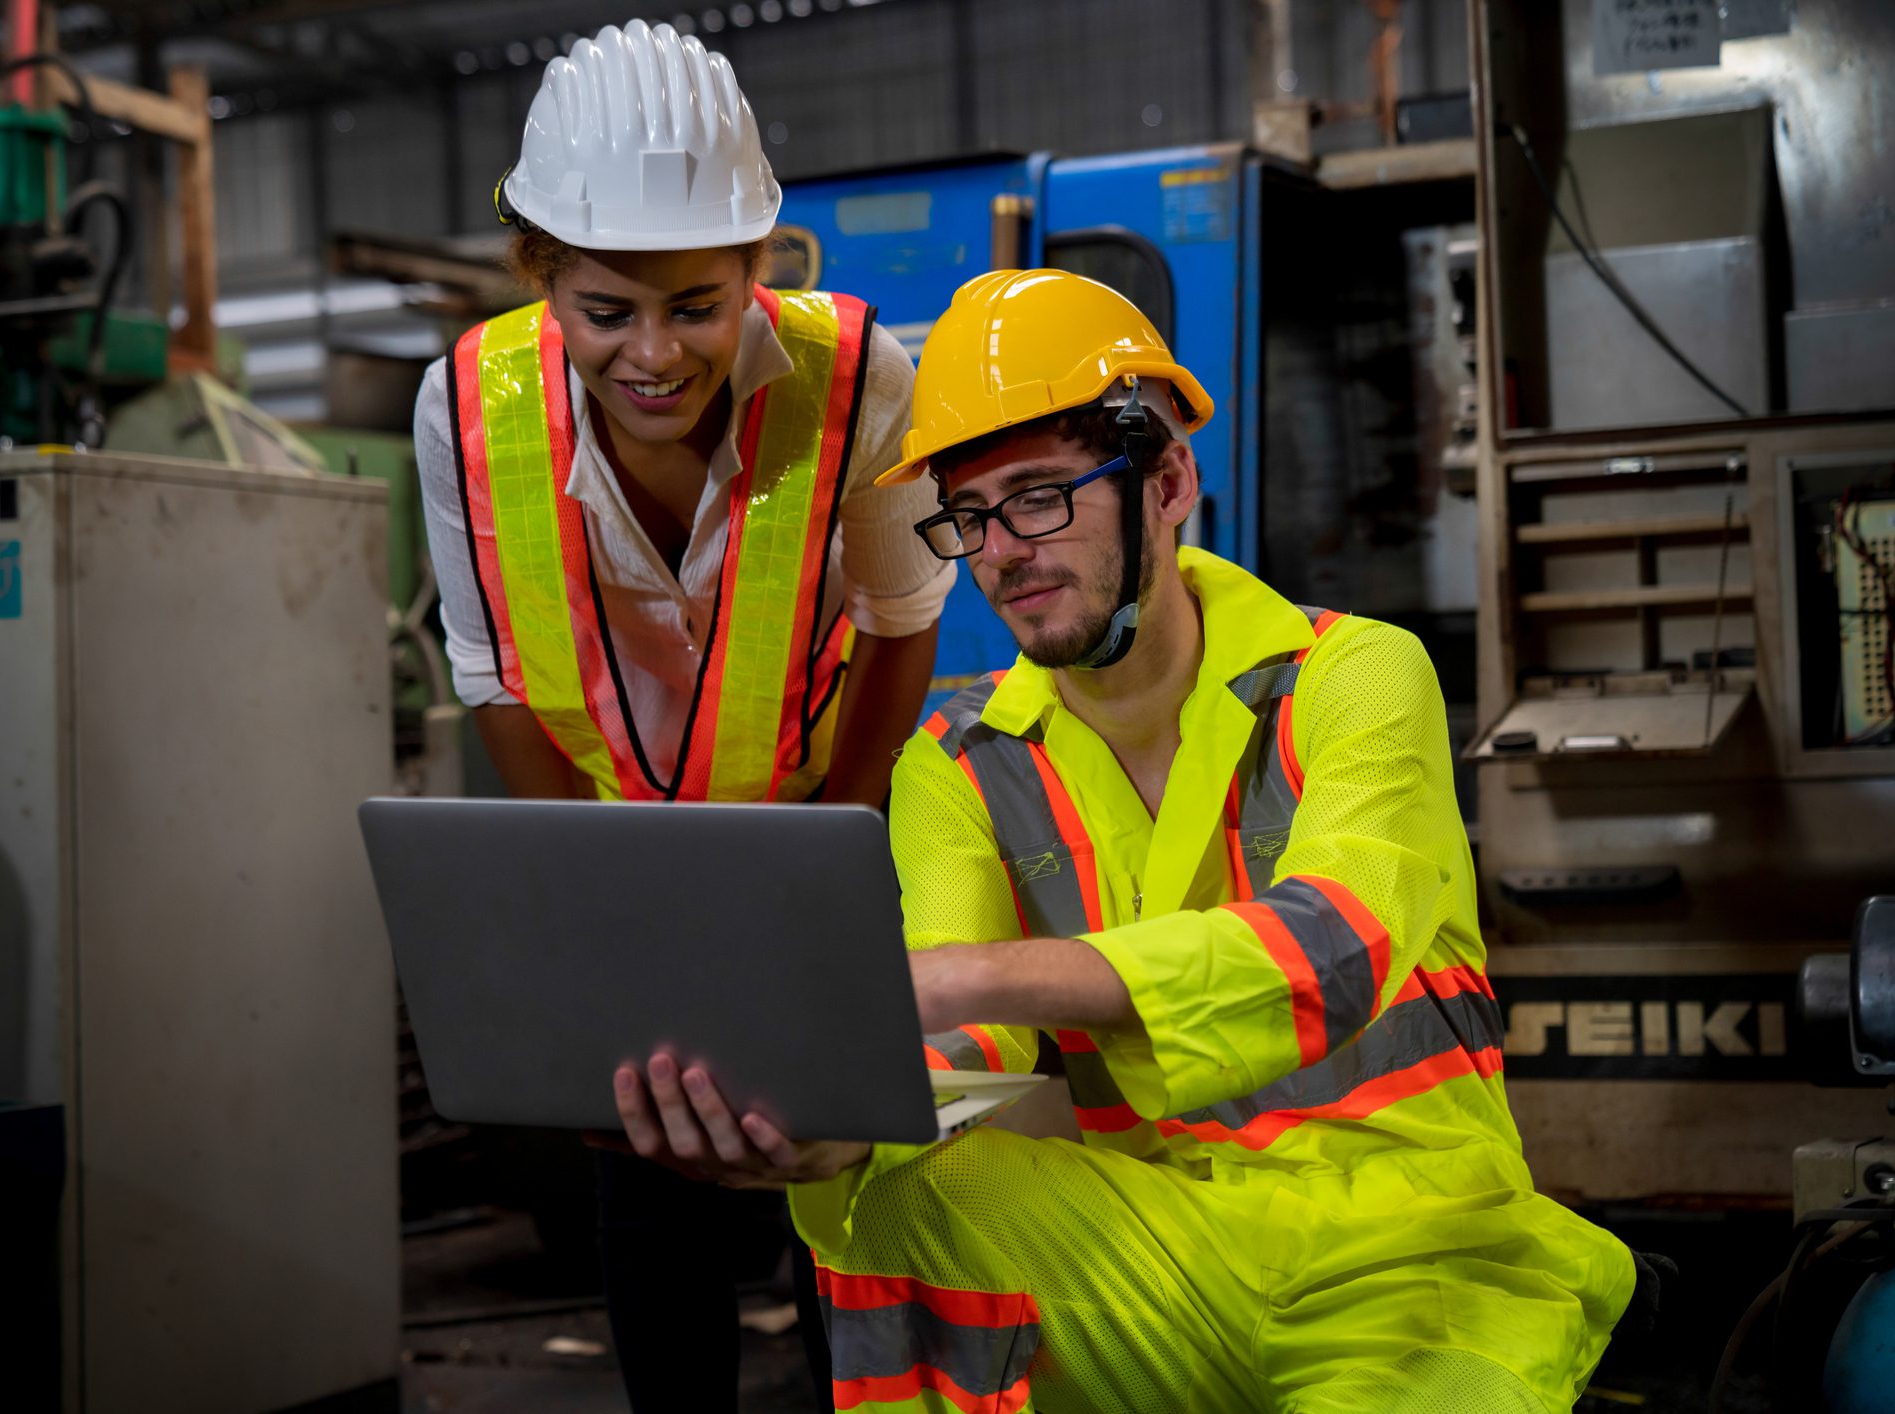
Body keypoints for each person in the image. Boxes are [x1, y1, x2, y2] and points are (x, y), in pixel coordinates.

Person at [607, 269, 1639, 1413]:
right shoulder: (956, 763)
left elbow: (1332, 948)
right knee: (895, 1184)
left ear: (1168, 482)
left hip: (1420, 1255)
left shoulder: (1349, 676)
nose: (1001, 550)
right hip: (1161, 1251)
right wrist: (827, 1134)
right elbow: (971, 1051)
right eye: (970, 514)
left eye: (1042, 495)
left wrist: (951, 977)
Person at [412, 21, 952, 1412]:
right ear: (541, 276)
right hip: (606, 831)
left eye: (698, 305)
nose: (655, 354)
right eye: (607, 311)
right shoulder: (466, 408)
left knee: (839, 1183)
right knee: (648, 1166)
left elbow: (902, 629)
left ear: (756, 268)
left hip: (821, 816)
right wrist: (607, 897)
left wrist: (828, 858)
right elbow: (497, 680)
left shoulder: (862, 380)